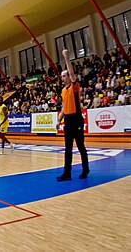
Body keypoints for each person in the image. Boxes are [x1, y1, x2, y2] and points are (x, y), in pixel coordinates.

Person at [56, 49, 90, 181]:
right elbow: (64, 107)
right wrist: (59, 119)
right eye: (62, 76)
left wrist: (66, 57)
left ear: (69, 77)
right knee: (68, 148)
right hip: (68, 121)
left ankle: (85, 169)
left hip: (77, 119)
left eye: (65, 75)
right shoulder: (63, 91)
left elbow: (71, 71)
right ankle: (67, 173)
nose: (63, 77)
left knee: (81, 146)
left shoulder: (75, 87)